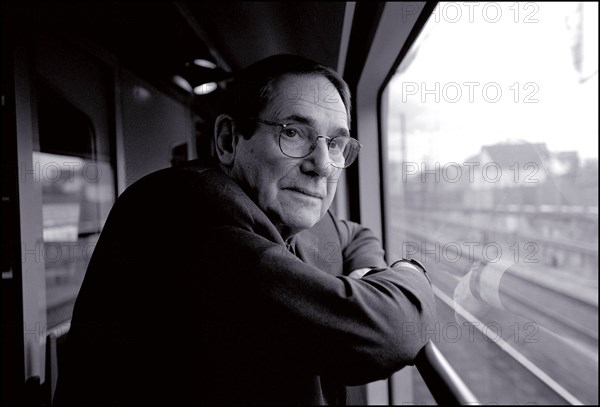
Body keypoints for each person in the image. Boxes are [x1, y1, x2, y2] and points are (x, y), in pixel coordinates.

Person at [54, 54, 437, 406]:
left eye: (335, 143)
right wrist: (409, 271)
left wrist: (368, 272)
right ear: (227, 141)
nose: (322, 165)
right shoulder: (188, 214)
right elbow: (386, 335)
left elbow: (355, 234)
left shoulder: (287, 215)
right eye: (293, 132)